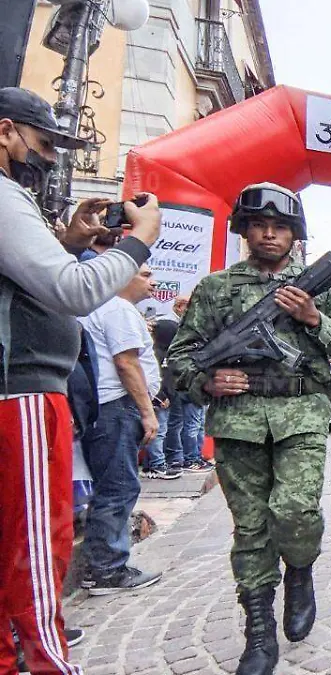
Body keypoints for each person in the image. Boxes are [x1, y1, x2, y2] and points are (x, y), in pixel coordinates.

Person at [168, 183, 331, 675]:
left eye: (280, 227)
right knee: (251, 529)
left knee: (295, 510)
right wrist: (207, 381)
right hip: (239, 423)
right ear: (246, 231)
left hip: (301, 416)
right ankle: (259, 633)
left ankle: (300, 569)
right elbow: (178, 361)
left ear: (295, 235)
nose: (270, 234)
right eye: (260, 225)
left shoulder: (317, 285)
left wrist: (312, 316)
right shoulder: (217, 289)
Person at [0, 86, 161, 675]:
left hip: (19, 390)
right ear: (5, 132)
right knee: (36, 546)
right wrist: (142, 237)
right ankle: (47, 661)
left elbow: (29, 279)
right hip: (18, 396)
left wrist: (66, 242)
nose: (47, 158)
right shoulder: (4, 195)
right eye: (42, 144)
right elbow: (73, 291)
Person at [78, 264, 167, 595]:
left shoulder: (100, 308)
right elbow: (126, 363)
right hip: (115, 408)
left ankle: (103, 565)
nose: (152, 281)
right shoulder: (116, 309)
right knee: (118, 487)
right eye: (144, 274)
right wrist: (147, 412)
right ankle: (106, 569)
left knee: (113, 486)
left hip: (105, 409)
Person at [166, 294, 211, 473]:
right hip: (187, 384)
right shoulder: (173, 328)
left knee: (192, 424)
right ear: (179, 307)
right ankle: (190, 459)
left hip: (189, 383)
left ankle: (187, 457)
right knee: (188, 425)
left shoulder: (190, 328)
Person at [141, 314, 182, 480]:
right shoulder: (155, 353)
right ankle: (157, 465)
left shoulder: (168, 353)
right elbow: (153, 377)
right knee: (159, 432)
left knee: (162, 431)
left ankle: (151, 464)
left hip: (168, 398)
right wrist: (159, 396)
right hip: (158, 399)